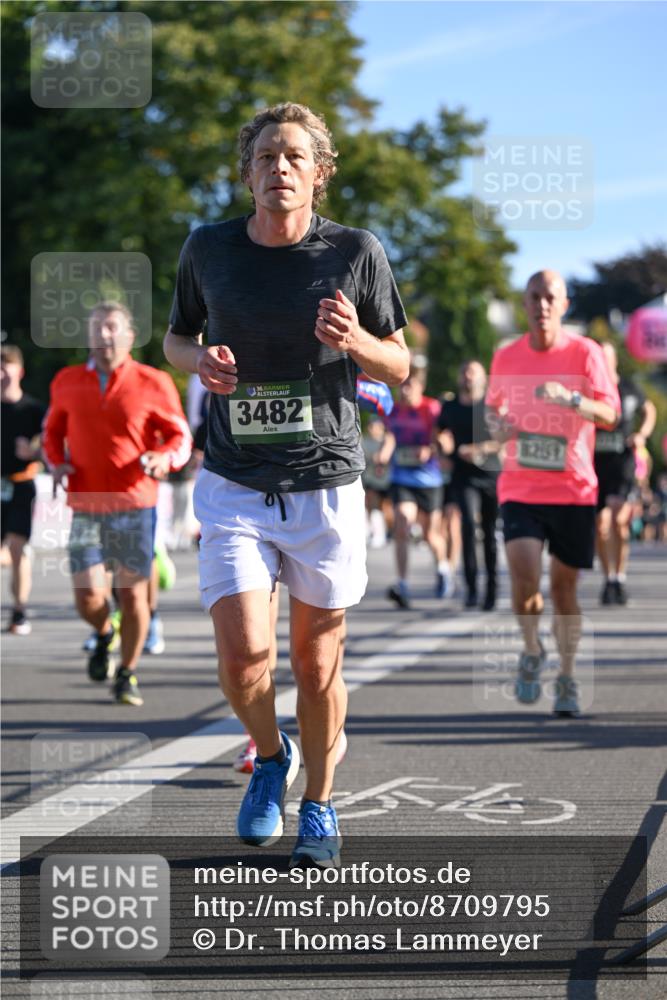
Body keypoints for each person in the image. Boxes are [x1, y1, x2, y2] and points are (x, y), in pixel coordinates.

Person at [163, 102, 409, 867]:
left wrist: (356, 341)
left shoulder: (356, 252)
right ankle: (270, 756)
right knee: (242, 659)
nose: (279, 168)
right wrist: (194, 361)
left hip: (324, 483)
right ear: (247, 172)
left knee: (316, 661)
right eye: (266, 156)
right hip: (235, 478)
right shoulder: (208, 248)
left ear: (318, 174)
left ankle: (321, 804)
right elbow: (176, 335)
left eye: (294, 157)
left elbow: (397, 365)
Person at [42, 302, 191, 705]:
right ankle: (104, 632)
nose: (102, 335)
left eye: (111, 328)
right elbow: (51, 433)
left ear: (128, 336)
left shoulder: (153, 381)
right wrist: (56, 463)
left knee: (133, 596)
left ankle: (127, 673)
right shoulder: (67, 381)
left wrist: (164, 458)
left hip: (135, 504)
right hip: (86, 506)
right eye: (95, 328)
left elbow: (181, 437)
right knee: (88, 595)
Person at [486, 270, 620, 716]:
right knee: (525, 580)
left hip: (573, 488)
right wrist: (499, 427)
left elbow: (611, 414)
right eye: (534, 297)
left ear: (563, 306)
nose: (542, 305)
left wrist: (572, 401)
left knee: (563, 591)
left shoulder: (587, 353)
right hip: (521, 486)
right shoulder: (506, 357)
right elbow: (493, 412)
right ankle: (531, 647)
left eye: (550, 298)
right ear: (524, 304)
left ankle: (566, 675)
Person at [379, 365, 449, 609]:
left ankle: (443, 568)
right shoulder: (393, 410)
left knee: (431, 535)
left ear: (420, 387)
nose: (405, 390)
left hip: (429, 480)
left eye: (410, 385)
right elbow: (390, 437)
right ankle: (402, 583)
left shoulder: (431, 408)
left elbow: (441, 438)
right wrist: (383, 456)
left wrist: (429, 449)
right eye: (402, 385)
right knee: (401, 523)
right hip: (402, 478)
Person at [595, 341, 656, 605]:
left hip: (622, 464)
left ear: (614, 361)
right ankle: (608, 578)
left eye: (605, 357)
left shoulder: (629, 388)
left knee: (620, 522)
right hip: (595, 464)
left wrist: (641, 435)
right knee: (600, 525)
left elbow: (649, 410)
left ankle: (619, 577)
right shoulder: (590, 391)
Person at [438, 360, 501, 610]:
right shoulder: (450, 407)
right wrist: (442, 447)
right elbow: (439, 432)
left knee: (489, 533)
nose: (467, 376)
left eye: (472, 372)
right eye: (464, 372)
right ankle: (472, 588)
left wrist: (479, 449)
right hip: (463, 476)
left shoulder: (490, 407)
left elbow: (503, 439)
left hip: (490, 474)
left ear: (483, 378)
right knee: (467, 525)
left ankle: (492, 590)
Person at [1, 344, 46, 635]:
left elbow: (53, 448)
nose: (2, 373)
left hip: (20, 485)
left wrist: (33, 453)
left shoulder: (33, 409)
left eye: (6, 367)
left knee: (17, 548)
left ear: (20, 371)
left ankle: (19, 610)